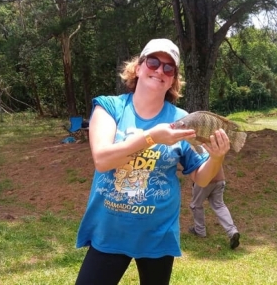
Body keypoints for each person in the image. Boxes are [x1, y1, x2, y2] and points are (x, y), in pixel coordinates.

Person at [75, 38, 231, 285]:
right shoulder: (109, 107)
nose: (160, 70)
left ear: (172, 80)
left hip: (158, 233)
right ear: (137, 67)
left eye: (169, 68)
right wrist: (151, 137)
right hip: (110, 230)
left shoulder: (183, 120)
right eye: (153, 62)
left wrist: (216, 157)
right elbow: (102, 160)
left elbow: (200, 176)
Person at [189, 166, 240, 250]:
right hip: (220, 178)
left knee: (196, 205)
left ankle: (200, 231)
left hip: (204, 179)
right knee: (219, 206)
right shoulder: (213, 151)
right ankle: (232, 231)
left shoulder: (195, 151)